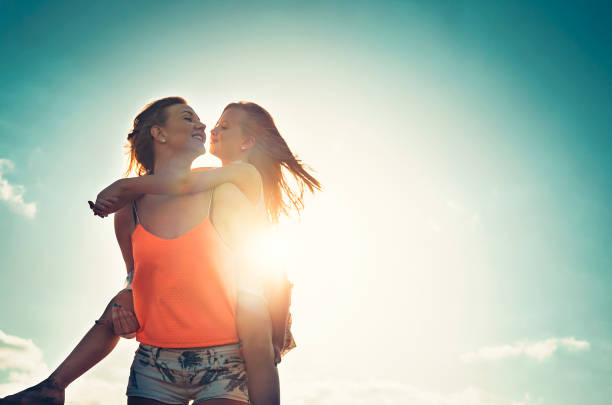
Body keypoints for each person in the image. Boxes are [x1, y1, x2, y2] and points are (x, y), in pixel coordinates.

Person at [2, 98, 319, 405]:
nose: (206, 126)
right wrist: (128, 294)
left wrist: (126, 185)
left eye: (222, 125)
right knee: (116, 305)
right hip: (154, 362)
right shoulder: (134, 208)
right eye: (188, 118)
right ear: (159, 133)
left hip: (228, 352)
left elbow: (181, 186)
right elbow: (135, 272)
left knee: (255, 322)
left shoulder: (226, 183)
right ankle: (52, 387)